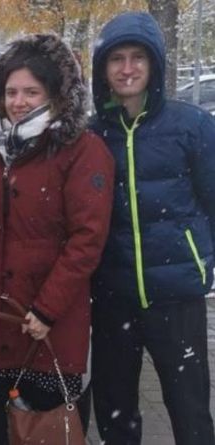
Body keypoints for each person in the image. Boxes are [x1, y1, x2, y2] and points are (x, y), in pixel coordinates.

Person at [0, 33, 114, 445]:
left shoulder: (81, 149)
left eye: (31, 91)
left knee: (48, 430)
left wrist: (47, 309)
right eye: (11, 91)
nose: (19, 101)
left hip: (49, 325)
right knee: (5, 426)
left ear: (55, 95)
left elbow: (87, 239)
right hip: (1, 323)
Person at [89, 11, 215, 445]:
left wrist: (202, 261)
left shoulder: (192, 126)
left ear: (155, 64)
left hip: (177, 296)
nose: (127, 69)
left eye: (137, 57)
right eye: (116, 59)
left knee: (190, 408)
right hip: (112, 297)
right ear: (102, 70)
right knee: (115, 411)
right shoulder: (92, 135)